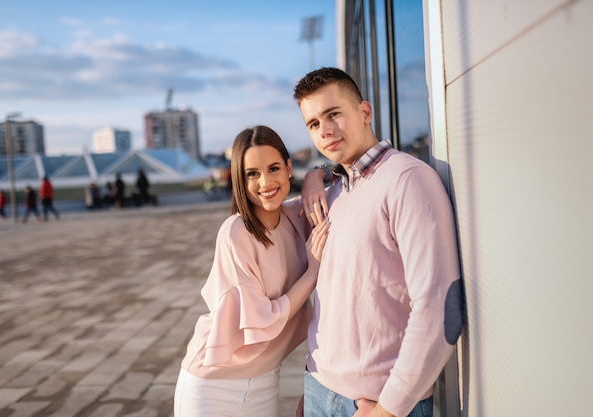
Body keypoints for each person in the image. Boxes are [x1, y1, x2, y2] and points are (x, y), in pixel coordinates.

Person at [293, 67, 463, 417]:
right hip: (319, 390)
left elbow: (439, 308)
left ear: (365, 112)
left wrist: (389, 409)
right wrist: (315, 384)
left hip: (377, 405)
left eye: (333, 114)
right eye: (313, 124)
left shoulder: (407, 180)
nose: (324, 130)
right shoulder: (334, 192)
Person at [173, 125, 330, 417]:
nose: (265, 182)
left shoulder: (296, 218)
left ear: (288, 168)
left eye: (273, 169)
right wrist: (312, 273)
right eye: (252, 174)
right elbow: (263, 319)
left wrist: (315, 174)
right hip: (212, 387)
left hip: (266, 381)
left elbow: (342, 178)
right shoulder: (236, 232)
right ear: (240, 180)